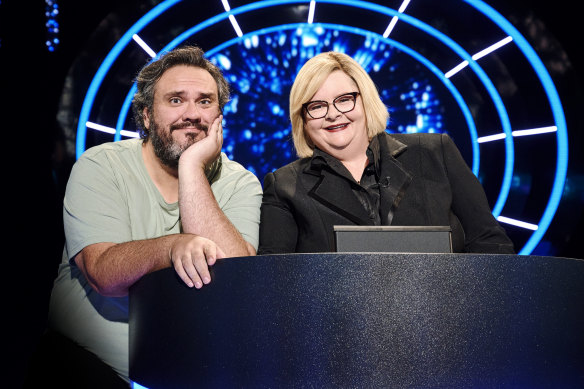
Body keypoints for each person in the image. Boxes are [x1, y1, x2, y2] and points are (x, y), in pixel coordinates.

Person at [41, 46, 263, 386]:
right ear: (145, 115)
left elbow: (235, 285)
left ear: (219, 115)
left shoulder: (241, 183)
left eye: (205, 101)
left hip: (189, 370)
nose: (192, 113)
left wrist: (191, 167)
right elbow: (104, 274)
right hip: (87, 364)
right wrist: (172, 247)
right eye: (176, 100)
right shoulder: (100, 166)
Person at [258, 51, 514, 254]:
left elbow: (491, 244)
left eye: (344, 99)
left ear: (365, 100)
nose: (333, 113)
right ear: (302, 119)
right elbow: (274, 281)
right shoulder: (284, 186)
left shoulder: (436, 152)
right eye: (317, 106)